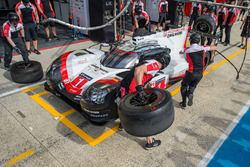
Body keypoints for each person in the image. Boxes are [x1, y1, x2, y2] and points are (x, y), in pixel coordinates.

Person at [119, 48, 171, 149]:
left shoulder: (148, 61)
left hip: (125, 87)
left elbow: (142, 74)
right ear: (165, 64)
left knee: (124, 107)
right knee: (146, 115)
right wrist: (140, 89)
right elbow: (139, 70)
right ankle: (150, 142)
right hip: (133, 90)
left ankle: (122, 124)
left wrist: (144, 86)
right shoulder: (156, 65)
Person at [180, 33, 217, 109]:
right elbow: (214, 47)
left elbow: (186, 60)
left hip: (191, 73)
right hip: (200, 74)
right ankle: (190, 93)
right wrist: (215, 44)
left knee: (184, 86)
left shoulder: (187, 51)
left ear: (190, 41)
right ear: (198, 41)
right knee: (193, 85)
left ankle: (183, 103)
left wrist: (184, 51)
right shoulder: (203, 48)